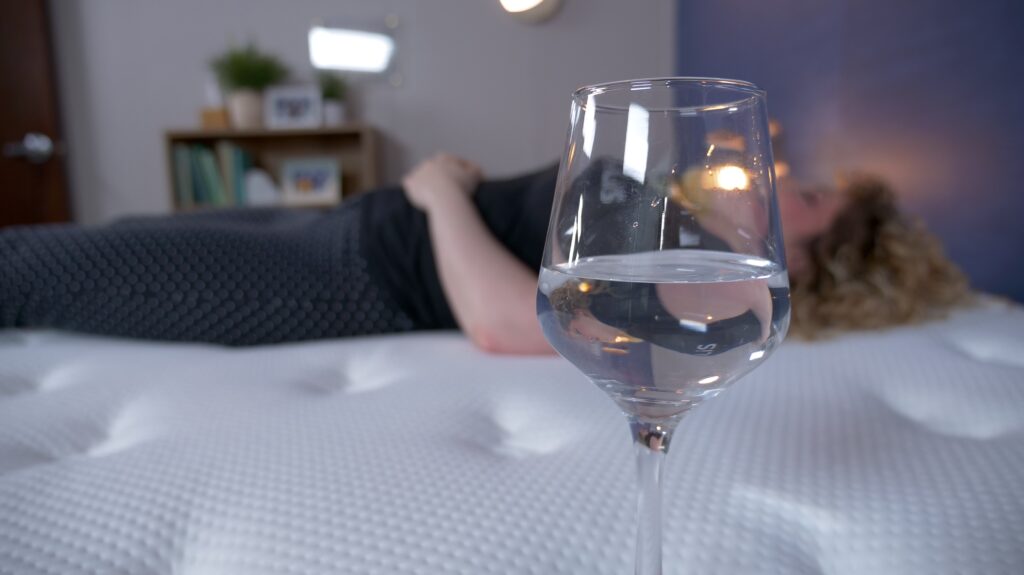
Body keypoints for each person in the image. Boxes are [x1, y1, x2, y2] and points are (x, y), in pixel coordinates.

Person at [0, 153, 969, 352]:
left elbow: (512, 321)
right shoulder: (687, 212)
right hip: (346, 224)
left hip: (352, 277)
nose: (782, 179)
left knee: (23, 269)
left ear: (824, 257)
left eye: (807, 197)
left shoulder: (715, 285)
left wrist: (439, 195)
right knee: (120, 237)